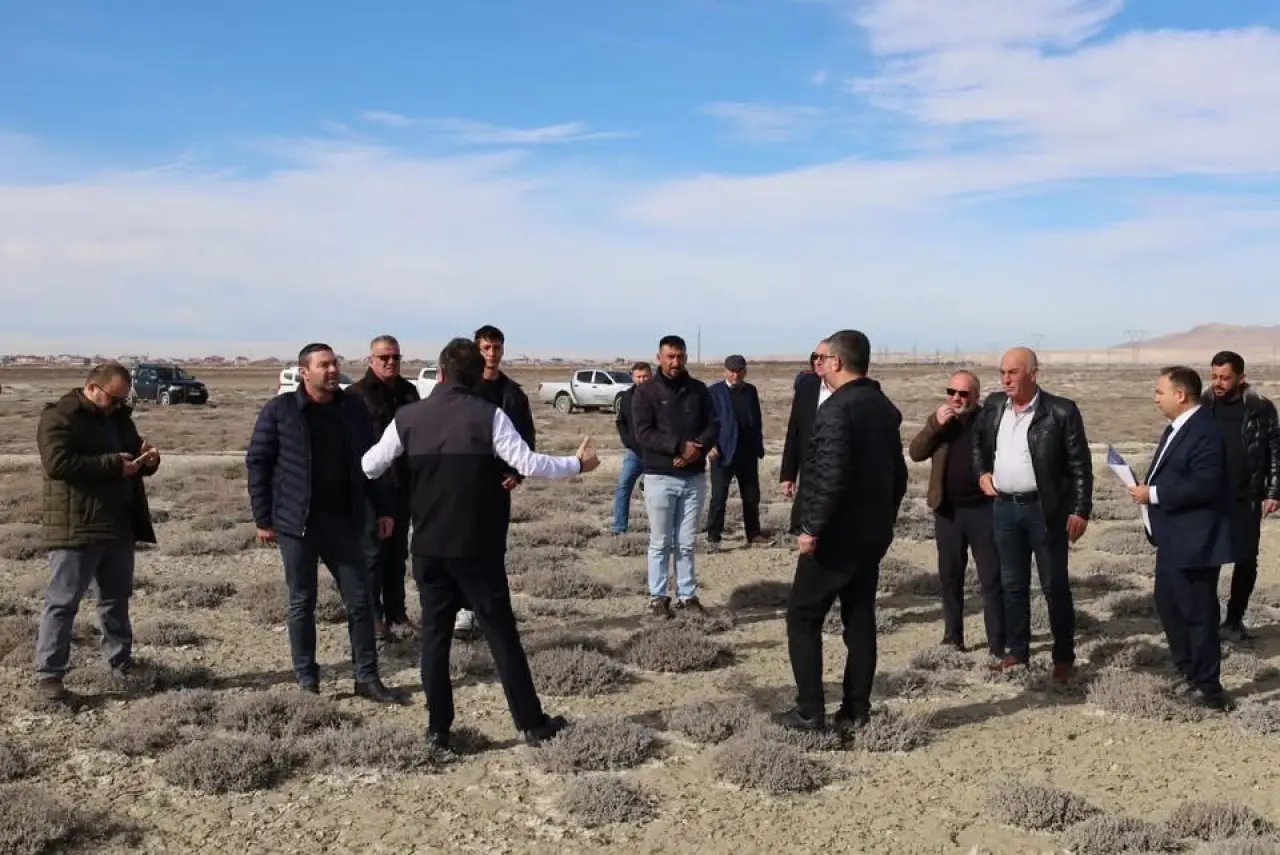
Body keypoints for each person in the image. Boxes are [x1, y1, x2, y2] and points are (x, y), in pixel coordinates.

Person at [361, 337, 601, 747]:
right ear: (476, 378)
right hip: (477, 549)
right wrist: (577, 464)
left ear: (440, 373)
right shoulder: (488, 415)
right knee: (501, 635)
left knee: (435, 640)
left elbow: (370, 465)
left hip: (429, 547)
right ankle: (531, 724)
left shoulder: (408, 417)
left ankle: (438, 730)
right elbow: (528, 463)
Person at [245, 342, 403, 703]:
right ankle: (307, 680)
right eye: (324, 365)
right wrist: (263, 518)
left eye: (334, 364)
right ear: (304, 372)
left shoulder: (353, 408)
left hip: (344, 520)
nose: (332, 370)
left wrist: (383, 508)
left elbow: (372, 462)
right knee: (302, 602)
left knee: (360, 600)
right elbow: (258, 463)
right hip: (296, 523)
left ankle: (366, 677)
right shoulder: (281, 410)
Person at [775, 330, 907, 732]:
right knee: (860, 619)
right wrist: (884, 520)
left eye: (823, 358)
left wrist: (812, 528)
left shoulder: (837, 409)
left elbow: (829, 477)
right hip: (871, 535)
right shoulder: (883, 407)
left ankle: (809, 711)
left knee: (802, 617)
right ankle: (855, 711)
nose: (820, 365)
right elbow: (898, 476)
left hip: (835, 538)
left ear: (837, 361)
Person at [33, 362, 161, 702]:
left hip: (118, 523)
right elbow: (58, 463)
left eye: (123, 400)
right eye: (113, 398)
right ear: (92, 388)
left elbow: (131, 456)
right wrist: (113, 465)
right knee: (63, 602)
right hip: (77, 525)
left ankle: (120, 661)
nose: (118, 405)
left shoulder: (119, 419)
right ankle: (50, 675)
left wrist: (147, 460)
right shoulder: (60, 416)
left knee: (115, 599)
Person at [972, 346, 1092, 682]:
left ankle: (1063, 657)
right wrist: (982, 473)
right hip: (1005, 509)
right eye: (1002, 372)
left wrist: (1080, 509)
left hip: (1045, 512)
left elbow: (1080, 465)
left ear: (1033, 374)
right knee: (1012, 585)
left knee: (1054, 586)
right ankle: (1017, 652)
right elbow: (978, 442)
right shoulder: (995, 406)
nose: (1005, 379)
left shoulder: (1060, 411)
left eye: (1013, 372)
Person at [1129, 366, 1237, 712]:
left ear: (1180, 395)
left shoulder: (1205, 431)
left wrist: (1153, 494)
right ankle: (1187, 672)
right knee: (1170, 606)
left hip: (1196, 542)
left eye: (1159, 392)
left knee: (1198, 614)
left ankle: (1208, 688)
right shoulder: (1176, 428)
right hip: (1172, 539)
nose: (1155, 398)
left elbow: (1206, 485)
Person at [907, 370, 1004, 655]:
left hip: (983, 511)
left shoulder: (989, 421)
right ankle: (953, 636)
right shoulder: (941, 421)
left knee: (991, 578)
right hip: (948, 512)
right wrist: (934, 425)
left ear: (976, 396)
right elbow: (916, 452)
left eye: (963, 394)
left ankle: (998, 642)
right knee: (950, 577)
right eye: (951, 392)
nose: (956, 398)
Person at [453, 324, 538, 639]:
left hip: (497, 487)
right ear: (477, 351)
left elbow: (526, 438)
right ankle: (464, 610)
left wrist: (517, 473)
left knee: (492, 549)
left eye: (497, 348)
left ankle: (493, 612)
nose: (492, 354)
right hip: (462, 483)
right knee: (462, 547)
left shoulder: (512, 394)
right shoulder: (463, 391)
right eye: (486, 348)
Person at [630, 334, 719, 619]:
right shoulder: (646, 392)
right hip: (660, 477)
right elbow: (643, 433)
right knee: (660, 542)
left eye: (680, 356)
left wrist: (696, 449)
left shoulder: (698, 390)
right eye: (670, 357)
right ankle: (658, 598)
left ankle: (687, 596)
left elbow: (713, 425)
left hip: (693, 477)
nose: (675, 362)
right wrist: (678, 447)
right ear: (659, 358)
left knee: (686, 542)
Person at [1201, 350, 1280, 641]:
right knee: (1208, 560)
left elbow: (1276, 452)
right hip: (1209, 497)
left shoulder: (1260, 408)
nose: (1218, 383)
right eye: (1214, 376)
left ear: (1241, 378)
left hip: (1247, 497)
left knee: (1246, 560)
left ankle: (1234, 621)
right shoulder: (1203, 405)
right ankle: (1207, 621)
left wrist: (1273, 491)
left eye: (1225, 378)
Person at [347, 334, 420, 642]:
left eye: (396, 357)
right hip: (370, 487)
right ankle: (373, 618)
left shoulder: (408, 392)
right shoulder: (355, 395)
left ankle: (396, 613)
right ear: (371, 360)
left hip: (402, 484)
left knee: (397, 553)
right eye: (384, 358)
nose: (391, 362)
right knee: (372, 554)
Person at [705, 354, 768, 546]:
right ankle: (713, 537)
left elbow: (756, 419)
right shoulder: (714, 392)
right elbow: (705, 421)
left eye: (739, 371)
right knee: (719, 497)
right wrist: (710, 444)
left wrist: (758, 444)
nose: (735, 375)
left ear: (745, 371)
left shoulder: (751, 391)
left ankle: (754, 534)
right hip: (723, 452)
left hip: (747, 452)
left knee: (751, 496)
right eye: (732, 371)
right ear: (725, 371)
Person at [780, 340, 833, 534]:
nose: (817, 361)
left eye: (822, 357)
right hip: (809, 466)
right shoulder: (807, 388)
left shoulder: (855, 392)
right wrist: (788, 475)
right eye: (814, 357)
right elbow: (794, 432)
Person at [611, 361, 652, 534]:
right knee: (623, 486)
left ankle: (659, 529)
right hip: (634, 453)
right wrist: (629, 442)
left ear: (651, 376)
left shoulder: (660, 395)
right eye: (638, 377)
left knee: (654, 492)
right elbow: (621, 422)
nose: (642, 380)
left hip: (655, 454)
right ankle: (619, 527)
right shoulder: (627, 397)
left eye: (645, 376)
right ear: (633, 377)